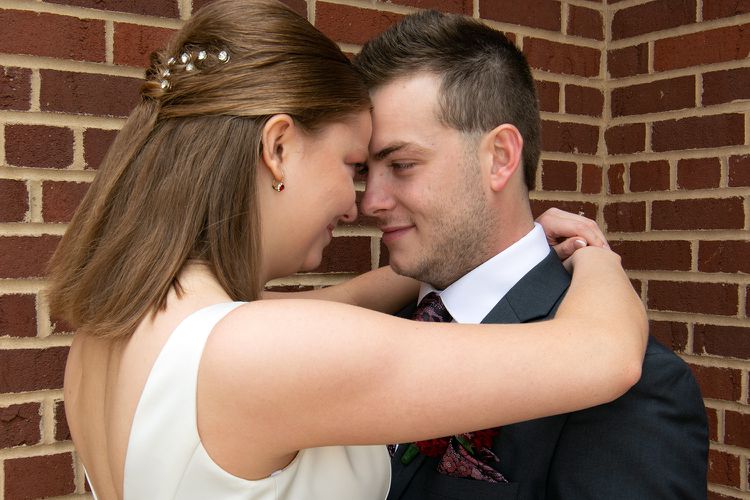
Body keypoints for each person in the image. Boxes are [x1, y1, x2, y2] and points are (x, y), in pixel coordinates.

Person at [47, 1, 648, 499]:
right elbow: (606, 355)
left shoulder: (113, 326)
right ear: (278, 148)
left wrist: (510, 245)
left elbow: (336, 301)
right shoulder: (261, 351)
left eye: (398, 166)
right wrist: (593, 256)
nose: (358, 202)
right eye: (353, 165)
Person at [354, 10, 708, 500]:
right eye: (363, 171)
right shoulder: (373, 325)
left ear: (500, 157)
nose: (371, 201)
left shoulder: (633, 387)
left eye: (401, 164)